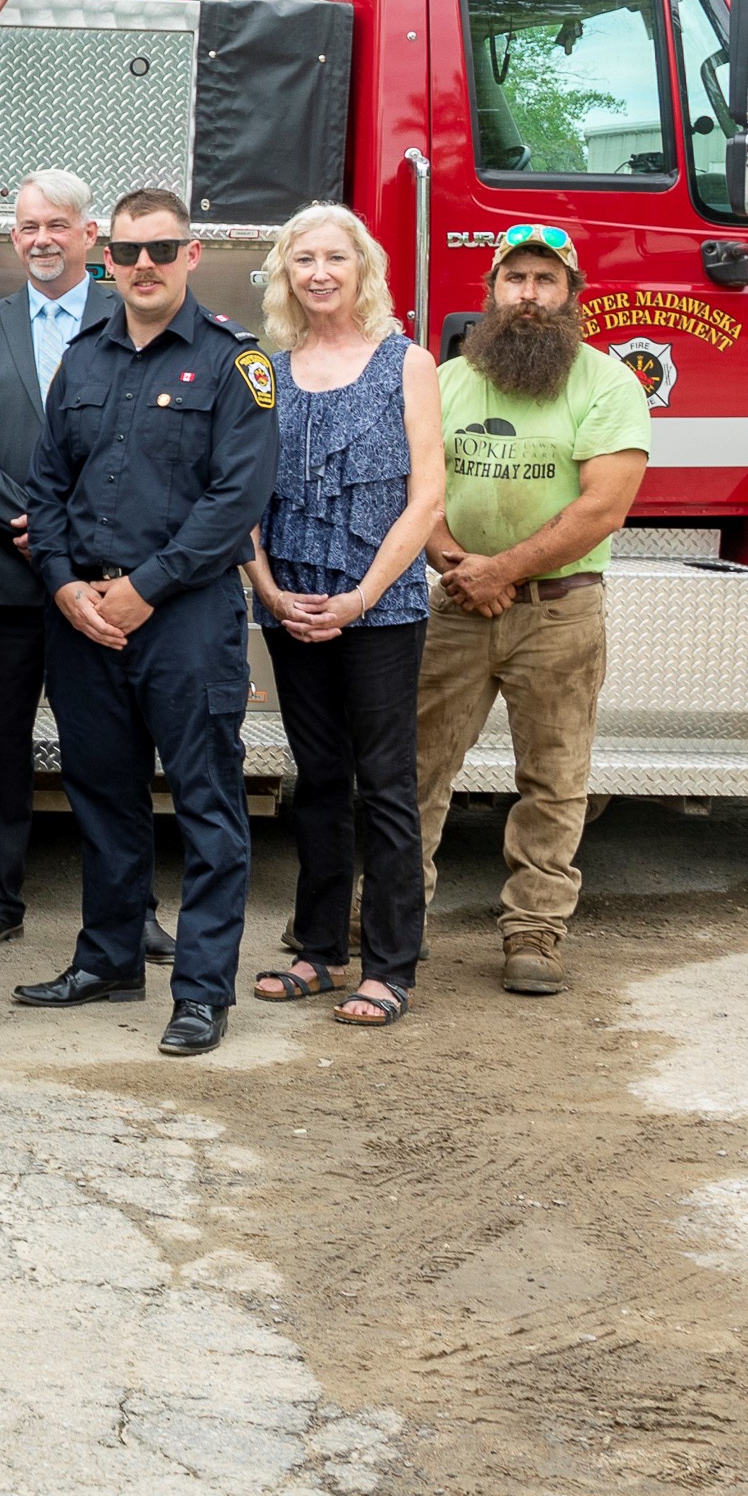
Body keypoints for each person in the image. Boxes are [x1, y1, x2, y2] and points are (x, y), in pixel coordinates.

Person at [8, 187, 281, 1058]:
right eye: (128, 254)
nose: (145, 267)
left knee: (206, 806)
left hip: (185, 619)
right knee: (101, 798)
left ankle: (202, 990)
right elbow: (45, 487)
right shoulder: (82, 358)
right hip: (84, 618)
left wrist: (147, 588)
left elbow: (237, 499)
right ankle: (111, 957)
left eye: (162, 250)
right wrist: (62, 587)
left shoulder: (238, 362)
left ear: (191, 255)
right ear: (107, 261)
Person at [410, 225, 648, 997]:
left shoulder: (608, 384)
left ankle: (534, 933)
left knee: (553, 778)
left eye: (546, 281)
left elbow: (603, 509)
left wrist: (501, 571)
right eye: (515, 279)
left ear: (572, 295)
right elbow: (417, 492)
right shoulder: (445, 381)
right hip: (455, 603)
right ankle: (389, 914)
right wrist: (456, 563)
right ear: (491, 293)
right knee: (414, 768)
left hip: (559, 612)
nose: (529, 296)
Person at [241, 207, 444, 1028]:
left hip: (382, 609)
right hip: (291, 607)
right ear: (286, 275)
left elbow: (427, 495)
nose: (319, 273)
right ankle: (319, 951)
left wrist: (362, 596)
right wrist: (268, 588)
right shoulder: (267, 371)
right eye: (303, 260)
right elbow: (242, 495)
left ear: (363, 268)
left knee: (386, 784)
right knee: (317, 780)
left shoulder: (409, 363)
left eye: (335, 258)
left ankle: (391, 965)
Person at [0, 170, 122, 959]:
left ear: (90, 235)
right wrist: (33, 525)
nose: (42, 239)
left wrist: (72, 532)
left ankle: (126, 907)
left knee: (109, 749)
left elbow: (145, 451)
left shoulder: (136, 318)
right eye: (28, 228)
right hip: (5, 574)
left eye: (58, 225)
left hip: (103, 581)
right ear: (13, 239)